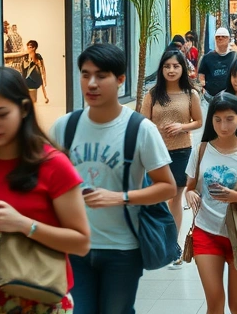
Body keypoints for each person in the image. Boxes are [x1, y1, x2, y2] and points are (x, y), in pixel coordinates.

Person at [51, 44, 176, 314]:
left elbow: (167, 187)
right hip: (77, 246)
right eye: (85, 75)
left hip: (123, 249)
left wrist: (121, 198)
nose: (91, 83)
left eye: (101, 75)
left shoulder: (140, 129)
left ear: (120, 80)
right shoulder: (64, 127)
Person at [0, 67, 91, 313]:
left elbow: (81, 242)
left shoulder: (53, 165)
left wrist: (23, 224)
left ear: (24, 109)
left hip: (40, 298)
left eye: (2, 114)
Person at [185, 94, 237, 314]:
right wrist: (189, 194)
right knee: (214, 301)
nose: (223, 126)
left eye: (229, 119)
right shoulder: (201, 150)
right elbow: (190, 186)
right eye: (217, 119)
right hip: (206, 232)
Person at [141, 49, 203, 268]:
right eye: (167, 66)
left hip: (180, 152)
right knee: (153, 198)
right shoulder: (152, 94)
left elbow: (198, 121)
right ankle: (152, 243)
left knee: (175, 199)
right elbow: (142, 122)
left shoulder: (191, 94)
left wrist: (181, 127)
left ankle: (172, 246)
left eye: (175, 66)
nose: (171, 70)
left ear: (182, 69)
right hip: (154, 153)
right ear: (161, 69)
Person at [199, 28, 237, 110]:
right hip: (211, 98)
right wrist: (202, 87)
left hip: (231, 98)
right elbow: (201, 74)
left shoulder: (235, 57)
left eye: (223, 36)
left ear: (228, 39)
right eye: (218, 37)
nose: (220, 38)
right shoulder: (207, 57)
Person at [22, 40, 50, 104]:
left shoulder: (38, 57)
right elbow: (24, 69)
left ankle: (45, 97)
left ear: (34, 48)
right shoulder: (26, 57)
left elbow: (42, 69)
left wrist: (44, 79)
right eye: (27, 47)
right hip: (27, 80)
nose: (27, 49)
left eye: (29, 47)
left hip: (34, 79)